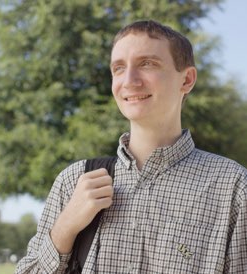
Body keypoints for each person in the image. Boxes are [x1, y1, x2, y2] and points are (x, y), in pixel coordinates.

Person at [15, 20, 247, 273]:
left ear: (187, 80)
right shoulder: (74, 181)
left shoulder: (233, 187)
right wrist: (65, 228)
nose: (129, 80)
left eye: (147, 64)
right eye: (118, 68)